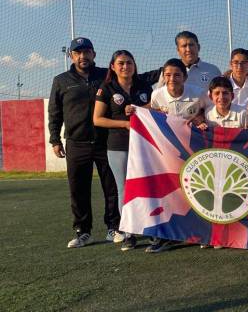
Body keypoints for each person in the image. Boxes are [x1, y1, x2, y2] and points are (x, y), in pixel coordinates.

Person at [49, 37, 120, 248]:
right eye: (78, 52)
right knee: (78, 189)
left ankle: (114, 227)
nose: (83, 56)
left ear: (94, 54)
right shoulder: (61, 80)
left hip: (105, 141)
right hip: (76, 143)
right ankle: (82, 231)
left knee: (112, 186)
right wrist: (55, 139)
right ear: (71, 55)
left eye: (87, 52)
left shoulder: (107, 76)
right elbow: (55, 112)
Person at [92, 50, 153, 251]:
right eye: (121, 63)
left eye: (129, 62)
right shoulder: (107, 88)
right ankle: (128, 233)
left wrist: (140, 109)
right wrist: (124, 124)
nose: (125, 66)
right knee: (124, 189)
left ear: (134, 65)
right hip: (118, 146)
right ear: (112, 66)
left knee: (147, 186)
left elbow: (155, 109)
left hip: (145, 144)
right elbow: (97, 119)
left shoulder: (144, 86)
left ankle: (149, 229)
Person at [147, 58, 207, 253]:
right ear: (163, 77)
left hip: (193, 151)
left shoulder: (197, 93)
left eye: (177, 74)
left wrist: (200, 118)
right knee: (167, 193)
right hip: (166, 154)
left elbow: (209, 112)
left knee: (195, 190)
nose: (172, 78)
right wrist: (135, 110)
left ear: (185, 77)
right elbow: (150, 112)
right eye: (168, 75)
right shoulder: (157, 94)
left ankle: (199, 232)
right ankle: (165, 235)